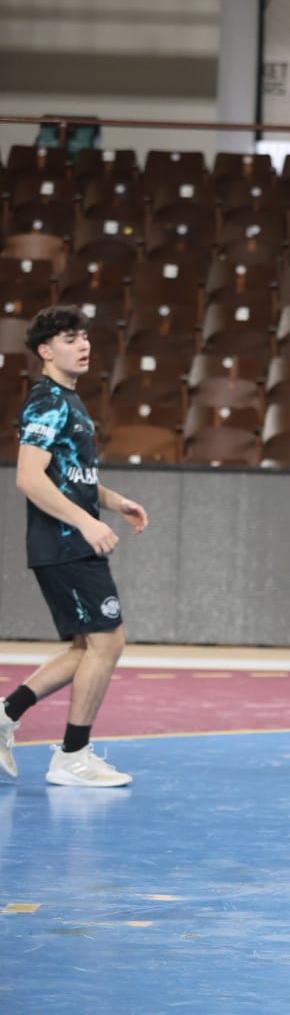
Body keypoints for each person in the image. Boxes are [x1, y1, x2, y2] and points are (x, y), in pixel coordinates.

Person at [0, 306, 149, 788]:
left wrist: (114, 503)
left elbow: (71, 477)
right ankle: (72, 756)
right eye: (69, 339)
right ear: (45, 351)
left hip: (68, 543)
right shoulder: (47, 402)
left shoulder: (70, 401)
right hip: (64, 544)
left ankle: (6, 714)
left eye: (84, 336)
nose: (83, 345)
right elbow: (29, 477)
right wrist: (86, 523)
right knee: (108, 642)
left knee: (87, 646)